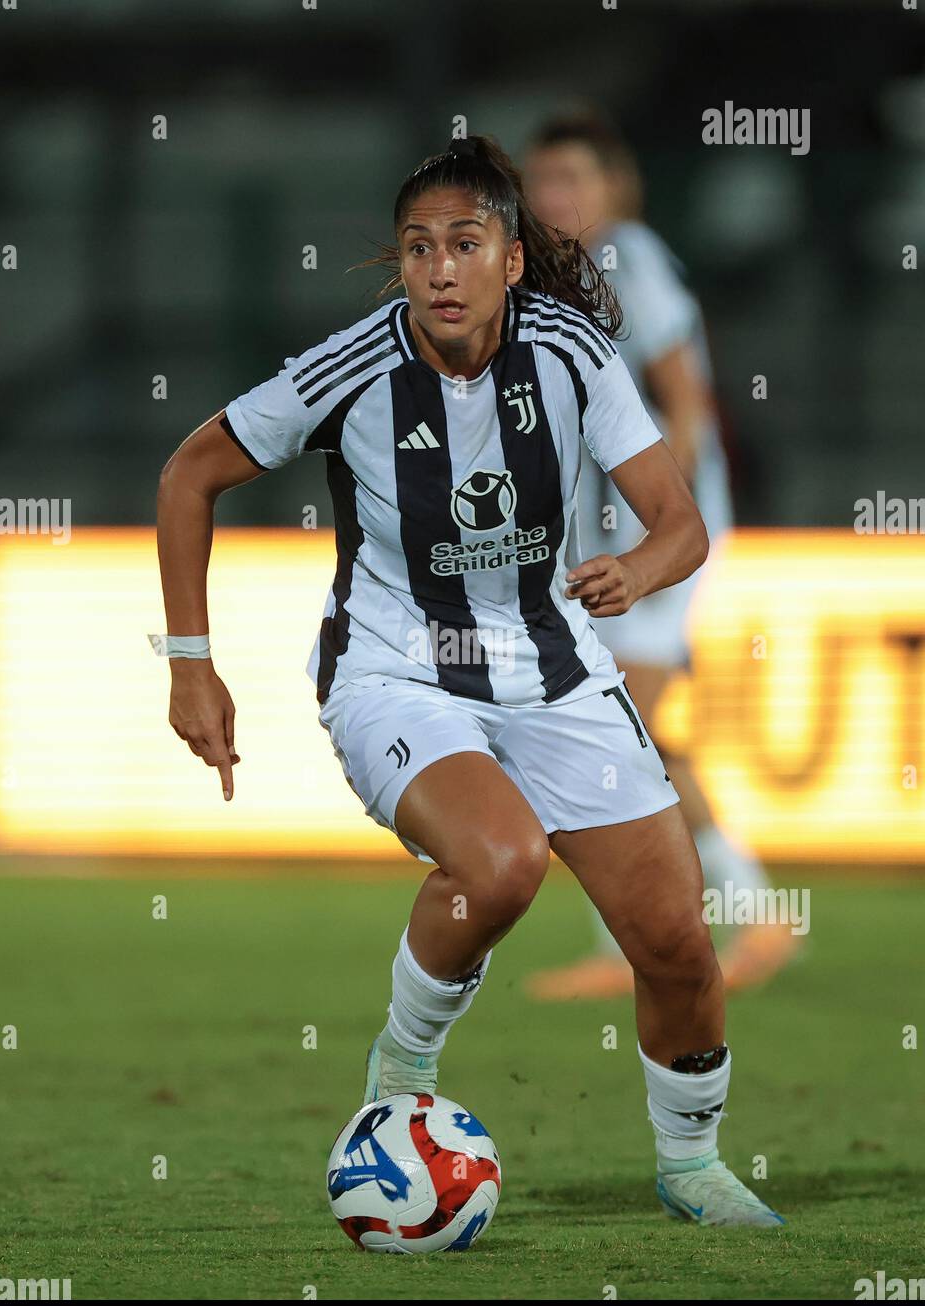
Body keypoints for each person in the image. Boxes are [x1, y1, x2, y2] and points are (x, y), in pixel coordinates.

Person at [155, 134, 784, 1226]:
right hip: (395, 673)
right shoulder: (349, 370)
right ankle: (399, 1076)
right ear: (399, 267)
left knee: (676, 940)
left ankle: (690, 1164)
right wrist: (190, 665)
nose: (439, 268)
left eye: (464, 243)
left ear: (509, 260)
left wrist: (634, 568)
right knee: (497, 864)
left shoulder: (575, 354)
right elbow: (189, 471)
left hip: (551, 668)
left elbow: (678, 522)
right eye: (416, 248)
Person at [523, 112, 801, 999]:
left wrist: (658, 531)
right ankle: (746, 910)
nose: (554, 196)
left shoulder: (624, 260)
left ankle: (659, 938)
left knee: (609, 730)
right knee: (628, 736)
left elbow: (686, 399)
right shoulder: (555, 276)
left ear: (615, 188)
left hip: (651, 549)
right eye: (543, 180)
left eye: (572, 178)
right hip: (606, 548)